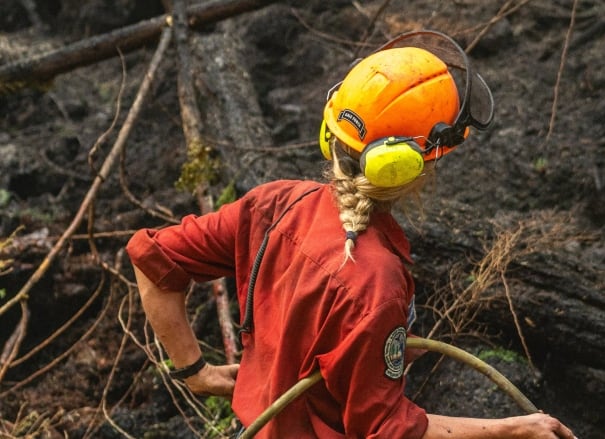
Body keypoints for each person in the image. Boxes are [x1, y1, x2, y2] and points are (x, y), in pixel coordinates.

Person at [127, 30, 576, 439]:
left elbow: (152, 260)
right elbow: (386, 432)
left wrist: (194, 372)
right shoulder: (376, 283)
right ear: (406, 166)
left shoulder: (274, 203)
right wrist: (513, 430)